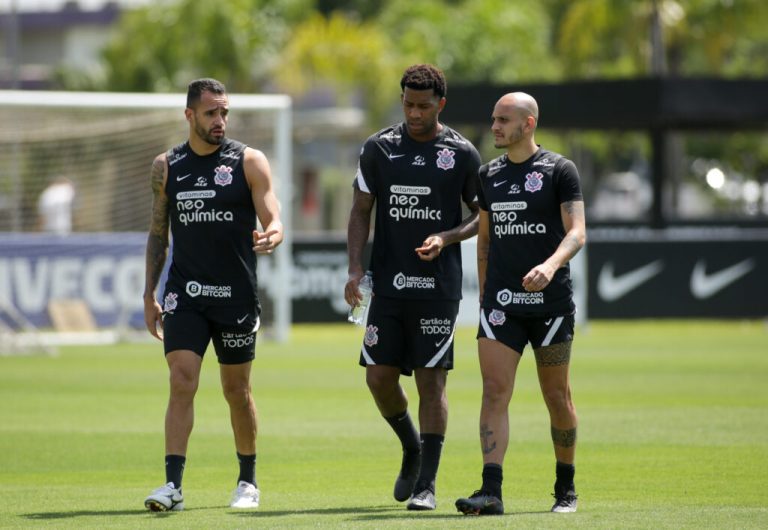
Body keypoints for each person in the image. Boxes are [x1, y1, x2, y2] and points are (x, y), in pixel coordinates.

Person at [142, 78, 283, 512]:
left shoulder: (249, 161)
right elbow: (158, 232)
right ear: (189, 116)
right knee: (181, 381)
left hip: (236, 296)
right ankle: (172, 485)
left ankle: (247, 481)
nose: (220, 121)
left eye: (224, 113)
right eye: (210, 113)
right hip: (185, 293)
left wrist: (274, 232)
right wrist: (150, 292)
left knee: (236, 390)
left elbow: (272, 212)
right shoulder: (167, 166)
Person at [344, 64, 481, 511]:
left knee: (431, 385)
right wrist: (353, 269)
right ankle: (411, 445)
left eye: (423, 106)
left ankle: (427, 484)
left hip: (437, 289)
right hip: (388, 286)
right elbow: (361, 209)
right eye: (408, 104)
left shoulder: (461, 153)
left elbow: (481, 214)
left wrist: (447, 236)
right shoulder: (379, 148)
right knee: (378, 378)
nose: (414, 113)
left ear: (440, 104)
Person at [455, 92, 586, 516]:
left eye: (503, 120)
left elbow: (577, 232)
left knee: (557, 398)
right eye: (493, 119)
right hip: (500, 306)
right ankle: (490, 491)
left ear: (528, 124)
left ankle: (565, 489)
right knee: (494, 392)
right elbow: (486, 240)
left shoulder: (560, 170)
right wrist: (484, 295)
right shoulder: (487, 174)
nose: (494, 126)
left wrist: (549, 266)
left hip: (550, 305)